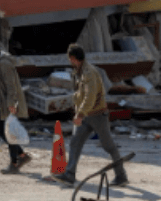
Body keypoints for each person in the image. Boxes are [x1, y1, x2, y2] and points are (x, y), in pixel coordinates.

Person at [51, 44, 128, 188]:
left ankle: (121, 176)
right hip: (87, 116)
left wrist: (79, 114)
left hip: (97, 116)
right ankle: (69, 175)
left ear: (73, 58)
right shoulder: (80, 71)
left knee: (109, 146)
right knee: (75, 142)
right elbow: (81, 95)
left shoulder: (89, 73)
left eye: (70, 59)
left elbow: (90, 97)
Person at [0, 36, 31, 175]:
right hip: (3, 103)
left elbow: (11, 85)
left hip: (9, 104)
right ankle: (22, 156)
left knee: (9, 133)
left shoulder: (4, 63)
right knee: (0, 130)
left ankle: (14, 164)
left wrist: (11, 104)